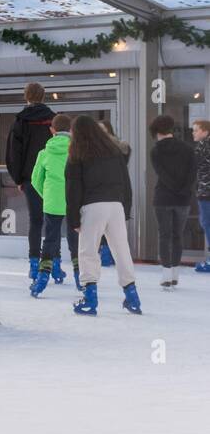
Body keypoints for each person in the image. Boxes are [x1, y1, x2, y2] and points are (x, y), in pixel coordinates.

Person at [66, 114, 140, 315]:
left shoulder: (77, 154)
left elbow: (73, 189)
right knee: (121, 250)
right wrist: (126, 208)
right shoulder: (114, 152)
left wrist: (73, 218)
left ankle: (90, 299)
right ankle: (132, 296)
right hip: (116, 206)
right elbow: (126, 183)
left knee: (88, 251)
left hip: (92, 207)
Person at [5, 83, 56, 282]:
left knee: (36, 221)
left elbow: (13, 153)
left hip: (30, 178)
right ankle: (54, 263)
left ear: (26, 96)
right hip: (53, 177)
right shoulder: (53, 119)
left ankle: (35, 264)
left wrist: (18, 178)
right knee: (53, 220)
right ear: (43, 96)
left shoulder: (20, 121)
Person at [29, 114, 79, 297]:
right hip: (74, 202)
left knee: (50, 239)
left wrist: (47, 195)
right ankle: (81, 279)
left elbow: (35, 180)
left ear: (52, 130)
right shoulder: (77, 151)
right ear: (71, 131)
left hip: (52, 203)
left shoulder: (44, 153)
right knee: (76, 240)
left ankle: (42, 279)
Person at [149, 113, 195, 289]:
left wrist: (173, 188)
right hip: (183, 199)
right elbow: (192, 174)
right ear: (171, 129)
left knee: (164, 235)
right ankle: (175, 272)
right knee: (177, 235)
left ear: (156, 131)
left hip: (163, 197)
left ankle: (166, 273)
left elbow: (162, 174)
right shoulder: (187, 148)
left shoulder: (156, 151)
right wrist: (183, 190)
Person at [97, 119, 129, 268]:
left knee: (113, 225)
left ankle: (110, 254)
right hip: (98, 190)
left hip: (115, 189)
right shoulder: (92, 147)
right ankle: (104, 254)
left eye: (103, 129)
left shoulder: (118, 147)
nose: (101, 133)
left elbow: (124, 160)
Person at [193, 119, 210, 274]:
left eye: (196, 130)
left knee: (207, 223)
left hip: (206, 192)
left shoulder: (204, 146)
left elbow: (192, 164)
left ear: (205, 131)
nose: (194, 133)